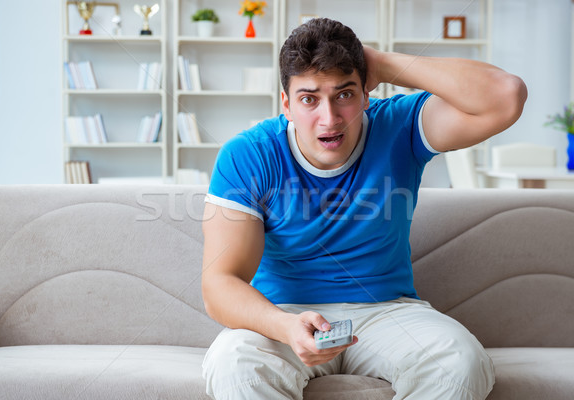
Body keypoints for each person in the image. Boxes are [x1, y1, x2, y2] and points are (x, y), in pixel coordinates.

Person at [201, 18, 527, 400]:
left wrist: (385, 64)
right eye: (309, 98)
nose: (330, 118)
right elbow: (219, 285)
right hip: (283, 316)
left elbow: (506, 96)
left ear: (366, 92)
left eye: (344, 94)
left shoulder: (399, 126)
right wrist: (284, 326)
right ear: (286, 104)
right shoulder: (248, 154)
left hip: (387, 312)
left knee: (459, 363)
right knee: (235, 367)